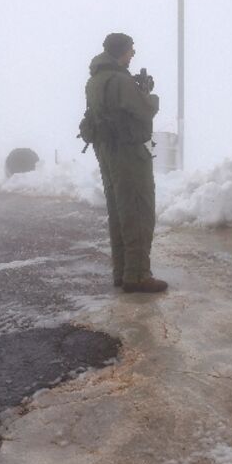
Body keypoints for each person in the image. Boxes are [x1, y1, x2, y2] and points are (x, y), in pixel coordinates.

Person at [83, 32, 168, 293]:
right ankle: (138, 274)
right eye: (131, 50)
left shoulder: (95, 80)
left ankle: (122, 271)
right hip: (128, 153)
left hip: (106, 151)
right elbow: (145, 109)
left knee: (119, 212)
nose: (133, 54)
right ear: (121, 51)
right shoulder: (120, 80)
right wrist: (146, 92)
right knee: (138, 212)